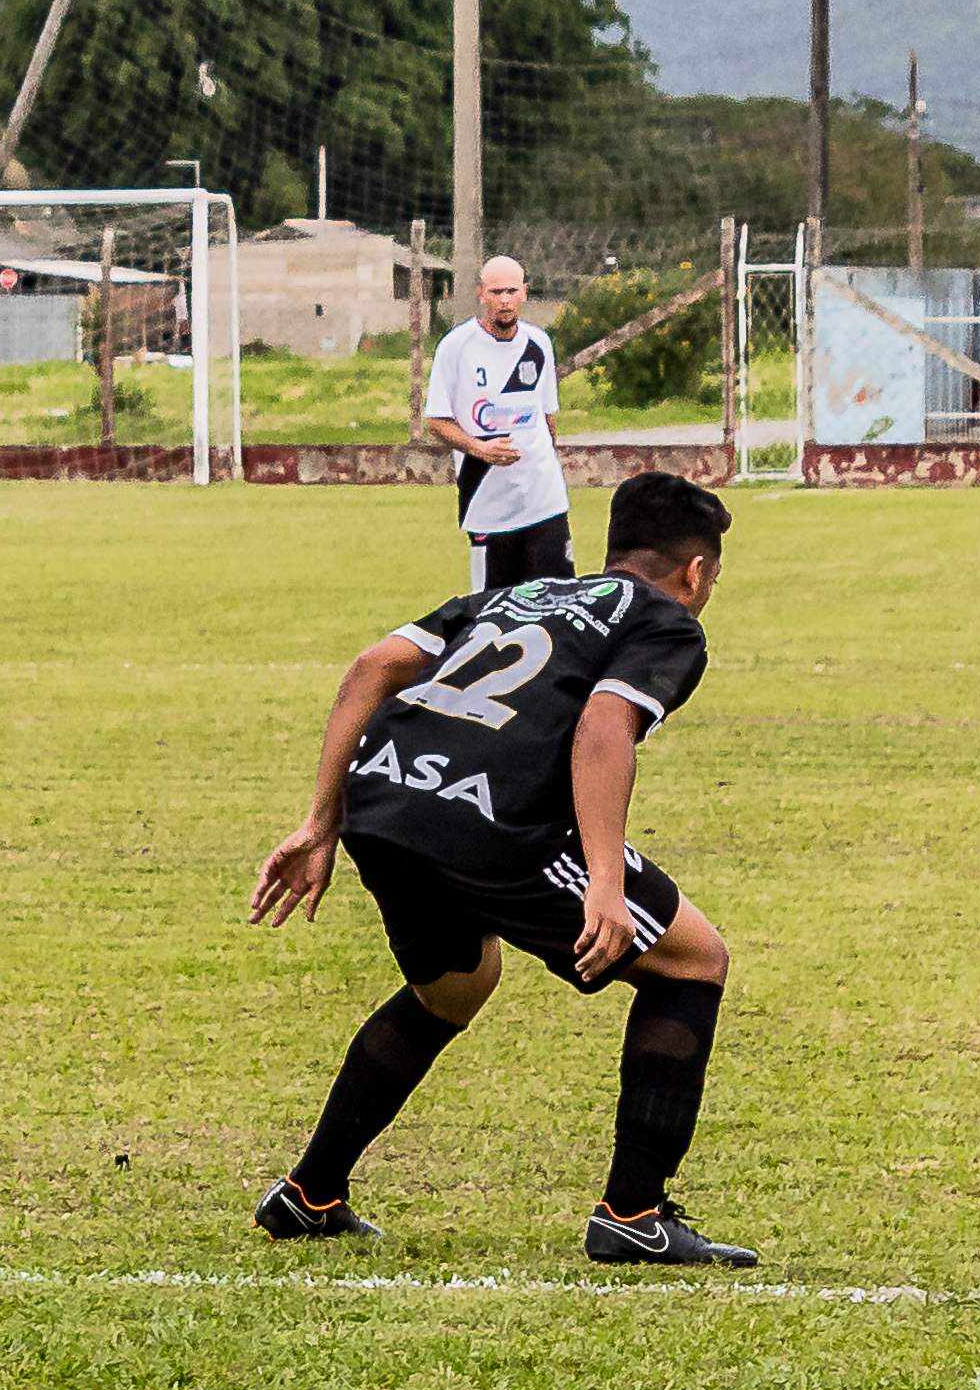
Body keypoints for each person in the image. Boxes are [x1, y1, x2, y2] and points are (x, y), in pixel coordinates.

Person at [248, 471, 755, 1266]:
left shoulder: (517, 594)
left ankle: (309, 1193)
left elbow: (370, 666)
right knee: (693, 960)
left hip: (380, 804)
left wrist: (321, 821)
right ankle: (633, 1210)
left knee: (454, 985)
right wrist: (607, 888)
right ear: (696, 573)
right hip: (490, 818)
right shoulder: (668, 622)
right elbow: (601, 730)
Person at [426, 256, 571, 591]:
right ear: (481, 294)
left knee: (557, 602)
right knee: (492, 612)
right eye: (496, 291)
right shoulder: (456, 347)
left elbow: (547, 417)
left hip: (544, 500)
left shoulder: (539, 344)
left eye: (511, 290)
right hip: (487, 501)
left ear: (524, 292)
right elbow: (436, 420)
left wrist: (550, 466)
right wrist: (481, 449)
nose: (504, 299)